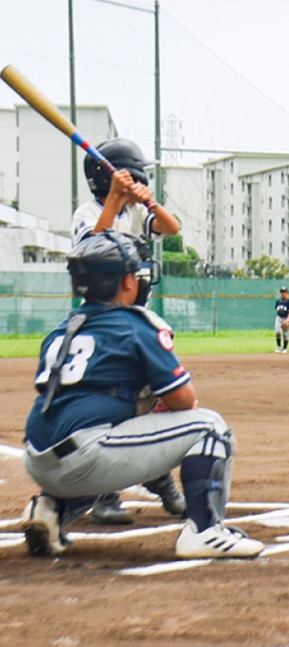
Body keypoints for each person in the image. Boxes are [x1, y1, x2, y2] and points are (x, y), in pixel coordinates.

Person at [19, 232, 263, 558]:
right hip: (87, 457)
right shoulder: (135, 323)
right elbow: (184, 401)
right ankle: (205, 531)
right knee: (210, 427)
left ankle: (50, 509)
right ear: (127, 281)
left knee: (112, 433)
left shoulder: (60, 331)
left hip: (37, 459)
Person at [71, 137, 185, 526]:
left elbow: (171, 227)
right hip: (102, 323)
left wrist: (147, 201)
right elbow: (91, 250)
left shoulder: (138, 212)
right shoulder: (87, 212)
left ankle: (158, 474)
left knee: (158, 395)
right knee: (113, 399)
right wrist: (115, 202)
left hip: (139, 319)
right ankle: (106, 493)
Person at [275, 287, 289, 353]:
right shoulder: (278, 301)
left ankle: (285, 348)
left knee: (285, 334)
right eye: (282, 292)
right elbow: (277, 310)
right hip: (279, 318)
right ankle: (278, 347)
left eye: (284, 292)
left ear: (287, 294)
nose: (283, 293)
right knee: (277, 332)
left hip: (286, 318)